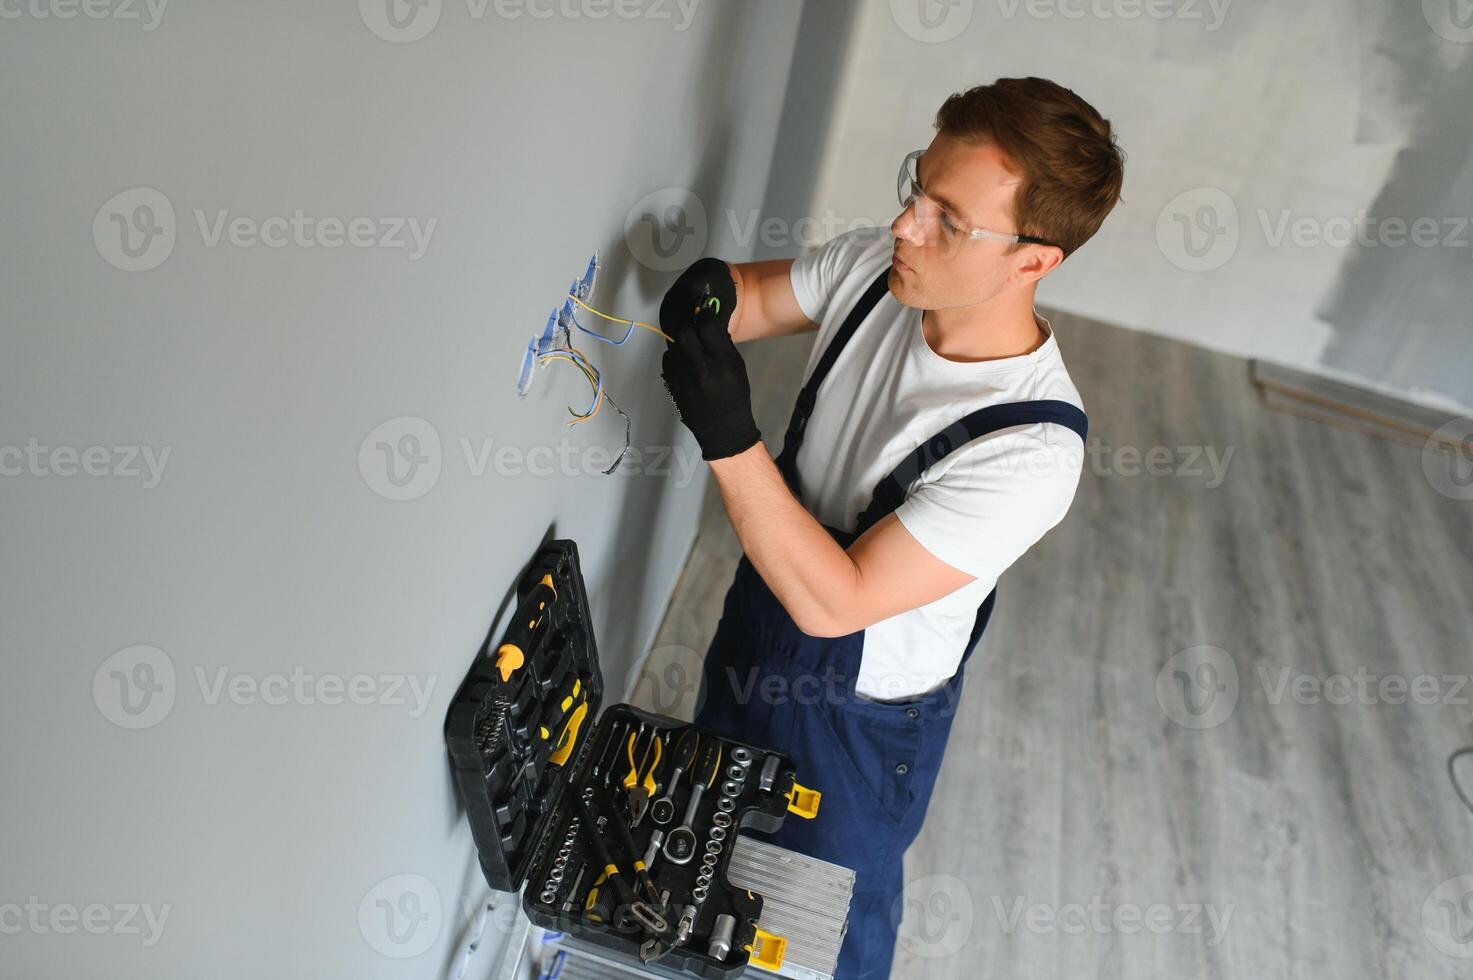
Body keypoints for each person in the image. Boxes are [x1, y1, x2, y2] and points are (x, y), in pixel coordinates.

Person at [658, 76, 1126, 979]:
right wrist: (709, 296)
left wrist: (727, 436)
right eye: (918, 186)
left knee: (802, 942)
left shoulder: (1029, 449)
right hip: (758, 627)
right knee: (702, 862)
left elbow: (839, 604)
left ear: (1034, 259)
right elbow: (752, 300)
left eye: (949, 218)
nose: (907, 224)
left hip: (852, 727)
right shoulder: (881, 271)